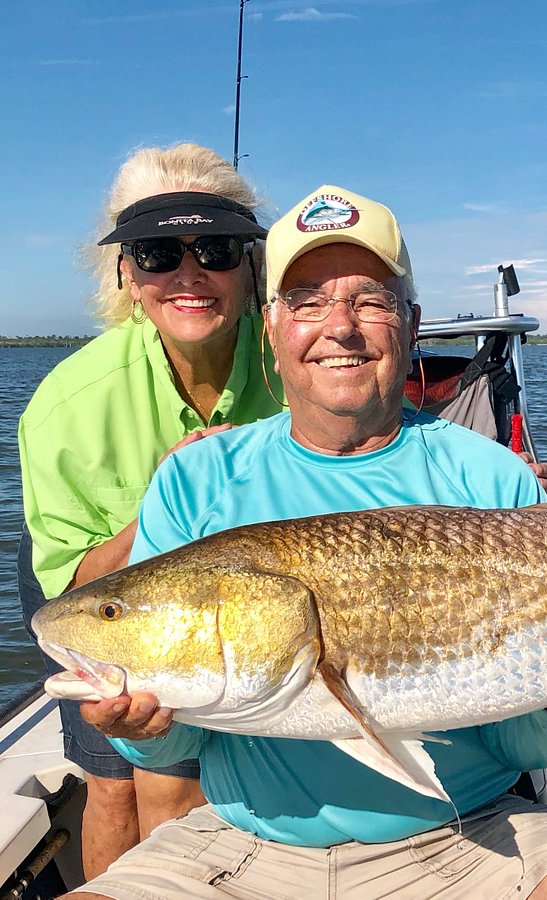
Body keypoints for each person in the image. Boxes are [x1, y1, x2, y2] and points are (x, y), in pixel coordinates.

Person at [66, 185, 547, 899]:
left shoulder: (489, 474)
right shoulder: (195, 481)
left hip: (472, 835)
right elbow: (184, 743)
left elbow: (515, 745)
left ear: (410, 323)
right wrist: (141, 727)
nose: (340, 327)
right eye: (305, 300)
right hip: (238, 842)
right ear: (270, 326)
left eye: (369, 300)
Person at [17, 144, 285, 879]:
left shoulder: (298, 360)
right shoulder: (66, 407)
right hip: (91, 580)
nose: (189, 275)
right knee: (113, 783)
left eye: (219, 248)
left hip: (240, 591)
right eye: (159, 251)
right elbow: (73, 581)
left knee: (190, 777)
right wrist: (172, 499)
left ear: (253, 264)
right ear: (126, 273)